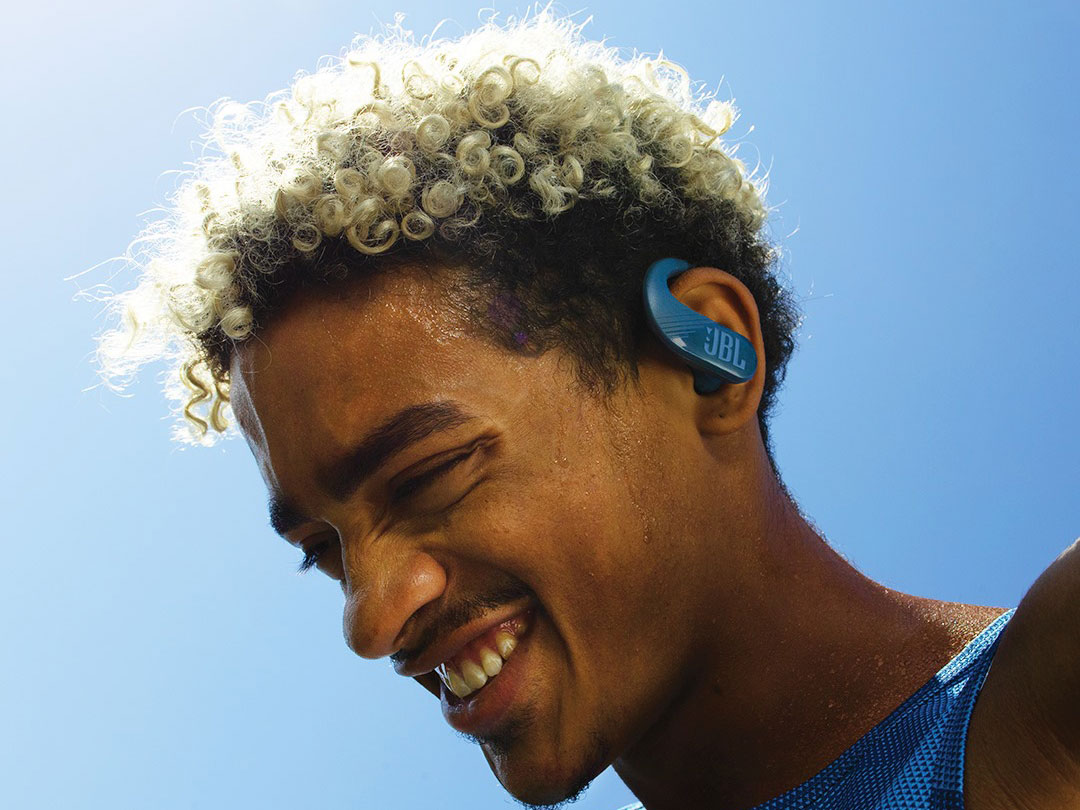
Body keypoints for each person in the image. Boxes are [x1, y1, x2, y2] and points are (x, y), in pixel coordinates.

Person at [95, 12, 1079, 809]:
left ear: (707, 355)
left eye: (428, 474)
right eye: (326, 550)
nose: (374, 618)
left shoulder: (1043, 727)